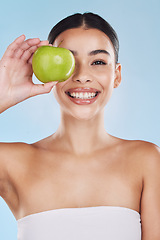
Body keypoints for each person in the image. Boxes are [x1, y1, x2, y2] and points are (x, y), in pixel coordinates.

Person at [0, 12, 160, 240]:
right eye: (68, 61)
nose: (82, 76)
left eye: (98, 62)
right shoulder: (11, 162)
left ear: (116, 75)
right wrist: (2, 96)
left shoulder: (146, 159)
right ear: (43, 70)